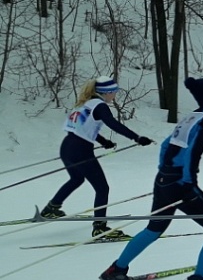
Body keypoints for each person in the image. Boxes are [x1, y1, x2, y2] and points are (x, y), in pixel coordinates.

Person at [98, 77, 203, 280]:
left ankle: (116, 270)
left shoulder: (193, 116)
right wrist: (187, 183)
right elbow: (193, 154)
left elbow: (165, 146)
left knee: (154, 229)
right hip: (181, 185)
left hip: (165, 180)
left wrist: (165, 174)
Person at [40, 76, 153, 238]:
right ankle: (100, 228)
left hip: (67, 147)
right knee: (102, 188)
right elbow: (113, 124)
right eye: (114, 92)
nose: (115, 96)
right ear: (107, 93)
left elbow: (82, 127)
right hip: (81, 151)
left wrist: (103, 140)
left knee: (76, 179)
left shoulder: (84, 103)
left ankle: (51, 208)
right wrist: (137, 138)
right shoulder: (100, 106)